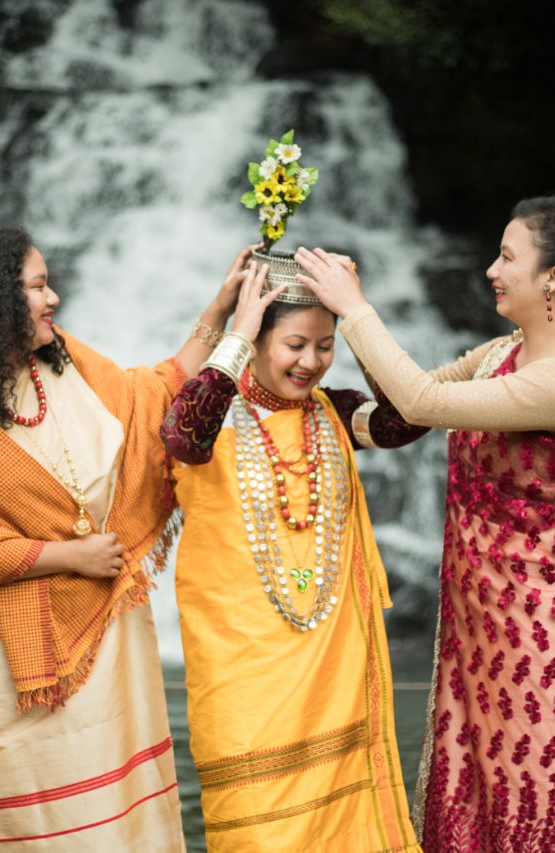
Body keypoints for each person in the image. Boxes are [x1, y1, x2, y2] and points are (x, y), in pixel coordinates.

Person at [0, 226, 256, 851]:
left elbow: (150, 398)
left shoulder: (61, 361)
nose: (54, 299)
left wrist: (221, 311)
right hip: (2, 669)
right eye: (38, 286)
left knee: (118, 825)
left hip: (107, 646)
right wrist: (70, 555)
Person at [294, 193, 555, 852]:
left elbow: (425, 398)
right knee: (470, 808)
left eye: (507, 256)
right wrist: (300, 406)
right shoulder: (502, 352)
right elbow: (401, 412)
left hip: (544, 640)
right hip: (476, 627)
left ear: (552, 277)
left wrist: (356, 308)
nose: (491, 270)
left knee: (537, 813)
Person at [160, 257, 426, 851]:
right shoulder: (212, 413)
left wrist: (359, 318)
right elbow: (181, 434)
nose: (310, 362)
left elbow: (408, 418)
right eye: (295, 344)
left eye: (325, 346)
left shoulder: (334, 411)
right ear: (255, 339)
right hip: (242, 680)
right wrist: (235, 333)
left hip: (332, 676)